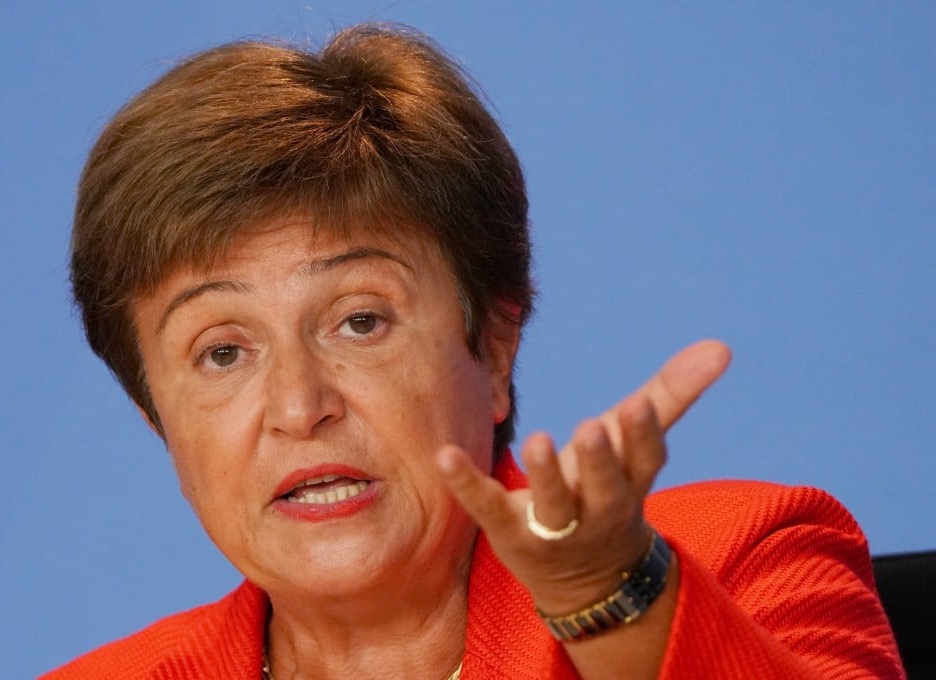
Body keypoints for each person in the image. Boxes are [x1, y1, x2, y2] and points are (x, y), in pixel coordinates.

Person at [44, 24, 904, 679]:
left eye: (360, 322)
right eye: (223, 352)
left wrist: (608, 600)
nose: (301, 408)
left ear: (493, 348)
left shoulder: (742, 554)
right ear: (155, 411)